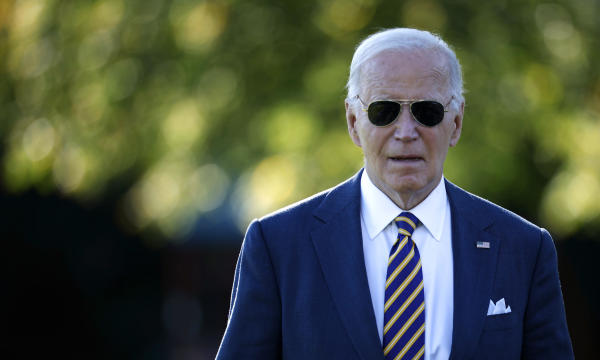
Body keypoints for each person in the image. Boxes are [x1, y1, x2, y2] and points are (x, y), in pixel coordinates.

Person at [216, 28, 574, 359]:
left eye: (427, 112)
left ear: (457, 123)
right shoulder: (278, 245)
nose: (405, 131)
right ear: (354, 123)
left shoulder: (523, 248)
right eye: (384, 111)